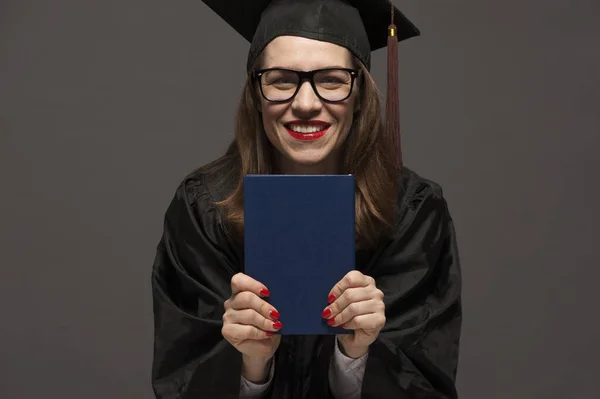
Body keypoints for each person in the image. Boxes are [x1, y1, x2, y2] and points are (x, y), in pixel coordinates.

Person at [150, 0, 462, 398]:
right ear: (255, 93)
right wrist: (251, 365)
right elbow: (180, 381)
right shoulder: (204, 207)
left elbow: (425, 384)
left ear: (361, 92)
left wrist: (355, 355)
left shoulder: (413, 212)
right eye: (281, 79)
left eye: (331, 79)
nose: (306, 103)